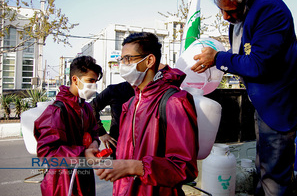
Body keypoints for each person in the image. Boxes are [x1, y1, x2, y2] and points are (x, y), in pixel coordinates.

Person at [191, 0, 297, 196]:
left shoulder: (269, 11)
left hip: (280, 102)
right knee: (264, 164)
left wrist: (218, 58)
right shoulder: (242, 11)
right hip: (264, 101)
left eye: (230, 11)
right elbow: (245, 51)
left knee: (274, 174)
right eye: (221, 10)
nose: (225, 17)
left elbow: (259, 64)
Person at [96, 32, 199, 196]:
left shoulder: (174, 102)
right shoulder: (129, 105)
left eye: (128, 59)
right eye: (121, 60)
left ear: (149, 60)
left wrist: (135, 167)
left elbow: (184, 167)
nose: (123, 65)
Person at [34, 56, 103, 196]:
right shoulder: (56, 111)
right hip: (62, 180)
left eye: (95, 81)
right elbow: (46, 152)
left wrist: (94, 144)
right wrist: (83, 153)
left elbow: (94, 132)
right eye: (90, 80)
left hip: (84, 173)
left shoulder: (86, 108)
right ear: (75, 79)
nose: (94, 85)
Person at [90, 81, 134, 158]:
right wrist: (101, 132)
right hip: (118, 143)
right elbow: (91, 107)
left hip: (142, 143)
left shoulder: (152, 90)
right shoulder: (115, 90)